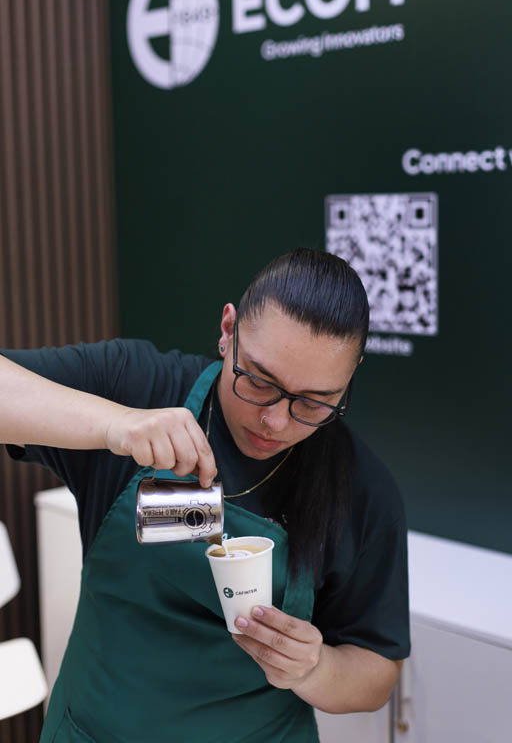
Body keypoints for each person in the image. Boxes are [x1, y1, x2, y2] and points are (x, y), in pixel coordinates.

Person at [0, 248, 410, 742]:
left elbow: (376, 673)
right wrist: (114, 424)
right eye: (258, 381)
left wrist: (315, 669)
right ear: (228, 330)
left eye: (314, 402)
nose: (275, 421)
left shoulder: (365, 490)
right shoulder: (140, 386)